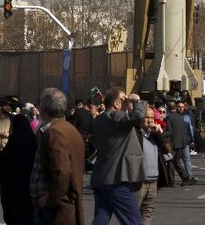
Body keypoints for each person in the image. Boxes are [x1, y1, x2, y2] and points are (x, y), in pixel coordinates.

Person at [90, 87, 147, 225]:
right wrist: (137, 101)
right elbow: (138, 116)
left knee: (101, 218)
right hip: (117, 179)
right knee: (133, 221)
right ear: (116, 104)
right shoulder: (115, 116)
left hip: (101, 177)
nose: (127, 101)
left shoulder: (99, 120)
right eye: (124, 99)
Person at [32, 87, 85, 225]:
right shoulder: (68, 129)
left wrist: (50, 199)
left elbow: (62, 172)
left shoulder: (55, 132)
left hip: (59, 209)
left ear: (43, 108)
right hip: (65, 205)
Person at [0, 113, 36, 224]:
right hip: (29, 186)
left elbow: (1, 165)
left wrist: (1, 182)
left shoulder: (13, 142)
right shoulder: (33, 140)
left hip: (12, 187)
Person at [137, 105, 165, 225]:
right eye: (146, 117)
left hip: (153, 180)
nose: (150, 120)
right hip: (139, 180)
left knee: (148, 212)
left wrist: (158, 134)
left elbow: (168, 153)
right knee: (133, 213)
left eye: (152, 118)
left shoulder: (154, 134)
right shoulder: (136, 134)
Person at [163, 100, 196, 186]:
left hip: (173, 143)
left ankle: (173, 181)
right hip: (182, 142)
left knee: (172, 161)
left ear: (167, 108)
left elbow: (170, 131)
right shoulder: (183, 117)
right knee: (176, 161)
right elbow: (189, 129)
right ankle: (185, 178)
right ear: (175, 107)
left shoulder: (169, 117)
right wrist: (192, 140)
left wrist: (161, 134)